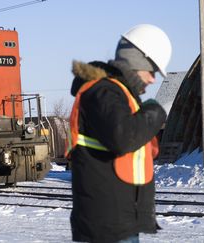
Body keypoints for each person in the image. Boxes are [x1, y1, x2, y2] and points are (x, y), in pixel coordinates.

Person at [66, 24, 172, 242]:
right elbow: (122, 137)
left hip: (118, 222)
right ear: (137, 61)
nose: (153, 79)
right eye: (151, 71)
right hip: (106, 227)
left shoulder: (121, 95)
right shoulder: (102, 91)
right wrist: (155, 112)